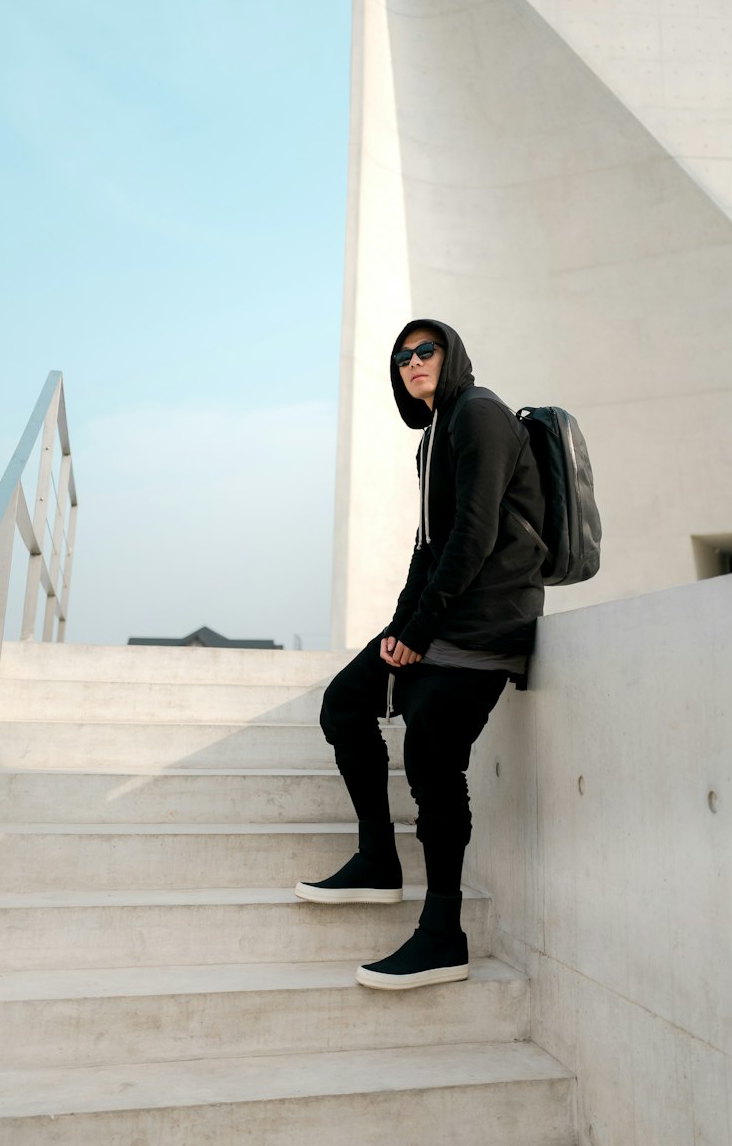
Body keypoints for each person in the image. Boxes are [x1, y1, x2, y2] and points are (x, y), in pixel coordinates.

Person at [295, 319, 546, 990]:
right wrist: (398, 630)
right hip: (444, 619)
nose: (413, 362)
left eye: (425, 350)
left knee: (431, 754)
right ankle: (378, 860)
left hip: (491, 620)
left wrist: (422, 627)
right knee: (345, 702)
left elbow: (475, 535)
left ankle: (443, 935)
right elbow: (426, 550)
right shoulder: (435, 436)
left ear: (452, 354)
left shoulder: (481, 416)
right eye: (402, 356)